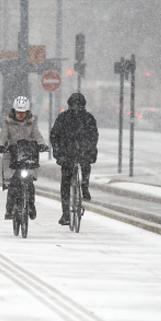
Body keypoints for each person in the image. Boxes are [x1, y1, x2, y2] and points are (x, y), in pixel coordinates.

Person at [0, 96, 49, 220]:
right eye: (18, 112)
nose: (20, 115)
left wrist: (41, 145)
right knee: (13, 182)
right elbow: (2, 136)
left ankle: (31, 205)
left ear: (27, 112)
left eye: (22, 112)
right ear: (14, 111)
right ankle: (9, 209)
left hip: (27, 154)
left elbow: (37, 135)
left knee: (29, 181)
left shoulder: (32, 122)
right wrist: (0, 145)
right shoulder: (8, 123)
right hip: (12, 155)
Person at [50, 92, 99, 226]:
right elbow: (94, 137)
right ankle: (84, 187)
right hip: (79, 152)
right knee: (84, 166)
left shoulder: (63, 117)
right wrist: (91, 150)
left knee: (65, 183)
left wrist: (58, 152)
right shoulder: (88, 118)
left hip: (69, 153)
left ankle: (66, 213)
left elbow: (54, 135)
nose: (76, 108)